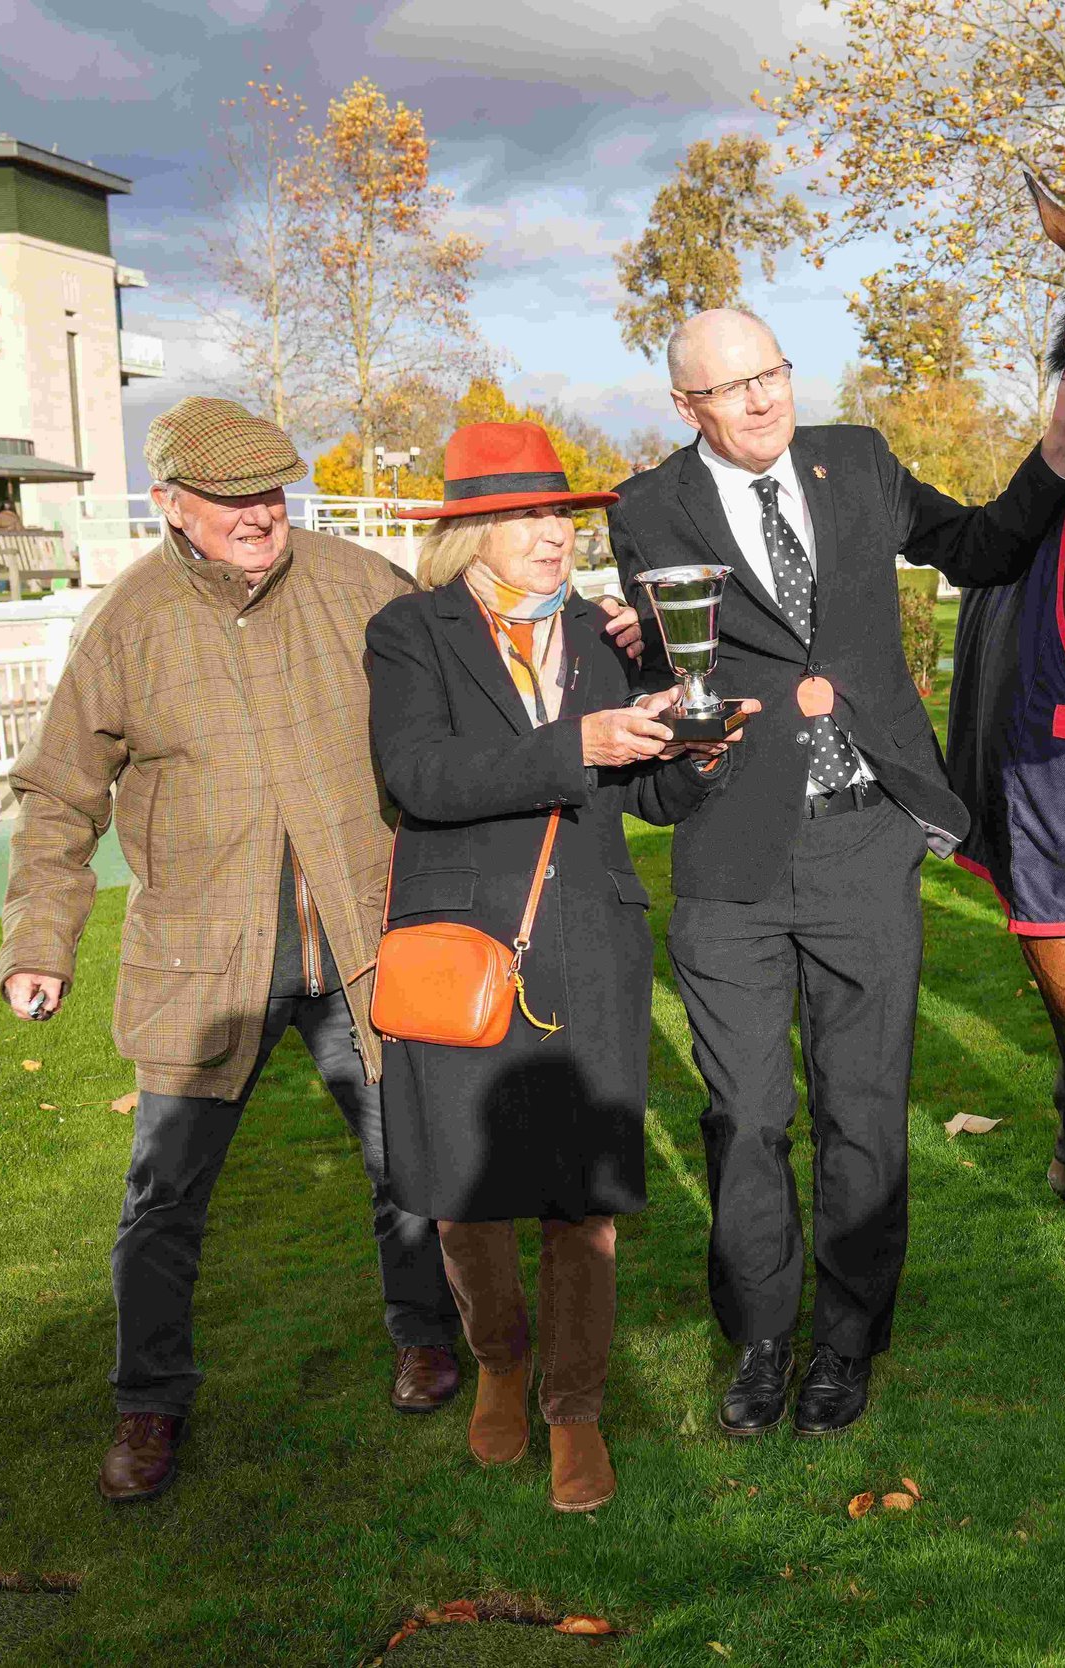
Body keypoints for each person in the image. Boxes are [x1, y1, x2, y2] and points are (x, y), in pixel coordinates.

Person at [0, 396, 645, 1506]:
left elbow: (491, 677)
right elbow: (60, 793)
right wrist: (38, 939)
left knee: (413, 1170)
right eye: (231, 499)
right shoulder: (130, 621)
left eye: (271, 494)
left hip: (364, 943)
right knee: (163, 1196)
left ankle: (427, 1342)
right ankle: (149, 1401)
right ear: (171, 507)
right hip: (207, 961)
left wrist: (610, 641)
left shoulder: (362, 587)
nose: (259, 516)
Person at [610, 309, 1065, 1439]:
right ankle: (764, 1333)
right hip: (731, 848)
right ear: (689, 408)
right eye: (733, 387)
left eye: (773, 370)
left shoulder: (857, 460)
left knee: (863, 1108)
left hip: (864, 835)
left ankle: (847, 1340)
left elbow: (976, 548)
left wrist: (1058, 456)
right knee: (746, 1112)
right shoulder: (646, 510)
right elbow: (670, 662)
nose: (765, 398)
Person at [370, 421, 744, 1512]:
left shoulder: (601, 632)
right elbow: (420, 776)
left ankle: (574, 1406)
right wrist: (575, 744)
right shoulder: (410, 632)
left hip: (590, 935)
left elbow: (645, 796)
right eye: (528, 516)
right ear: (473, 531)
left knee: (584, 1200)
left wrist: (695, 754)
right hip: (459, 945)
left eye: (561, 515)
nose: (552, 534)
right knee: (467, 1197)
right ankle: (498, 1364)